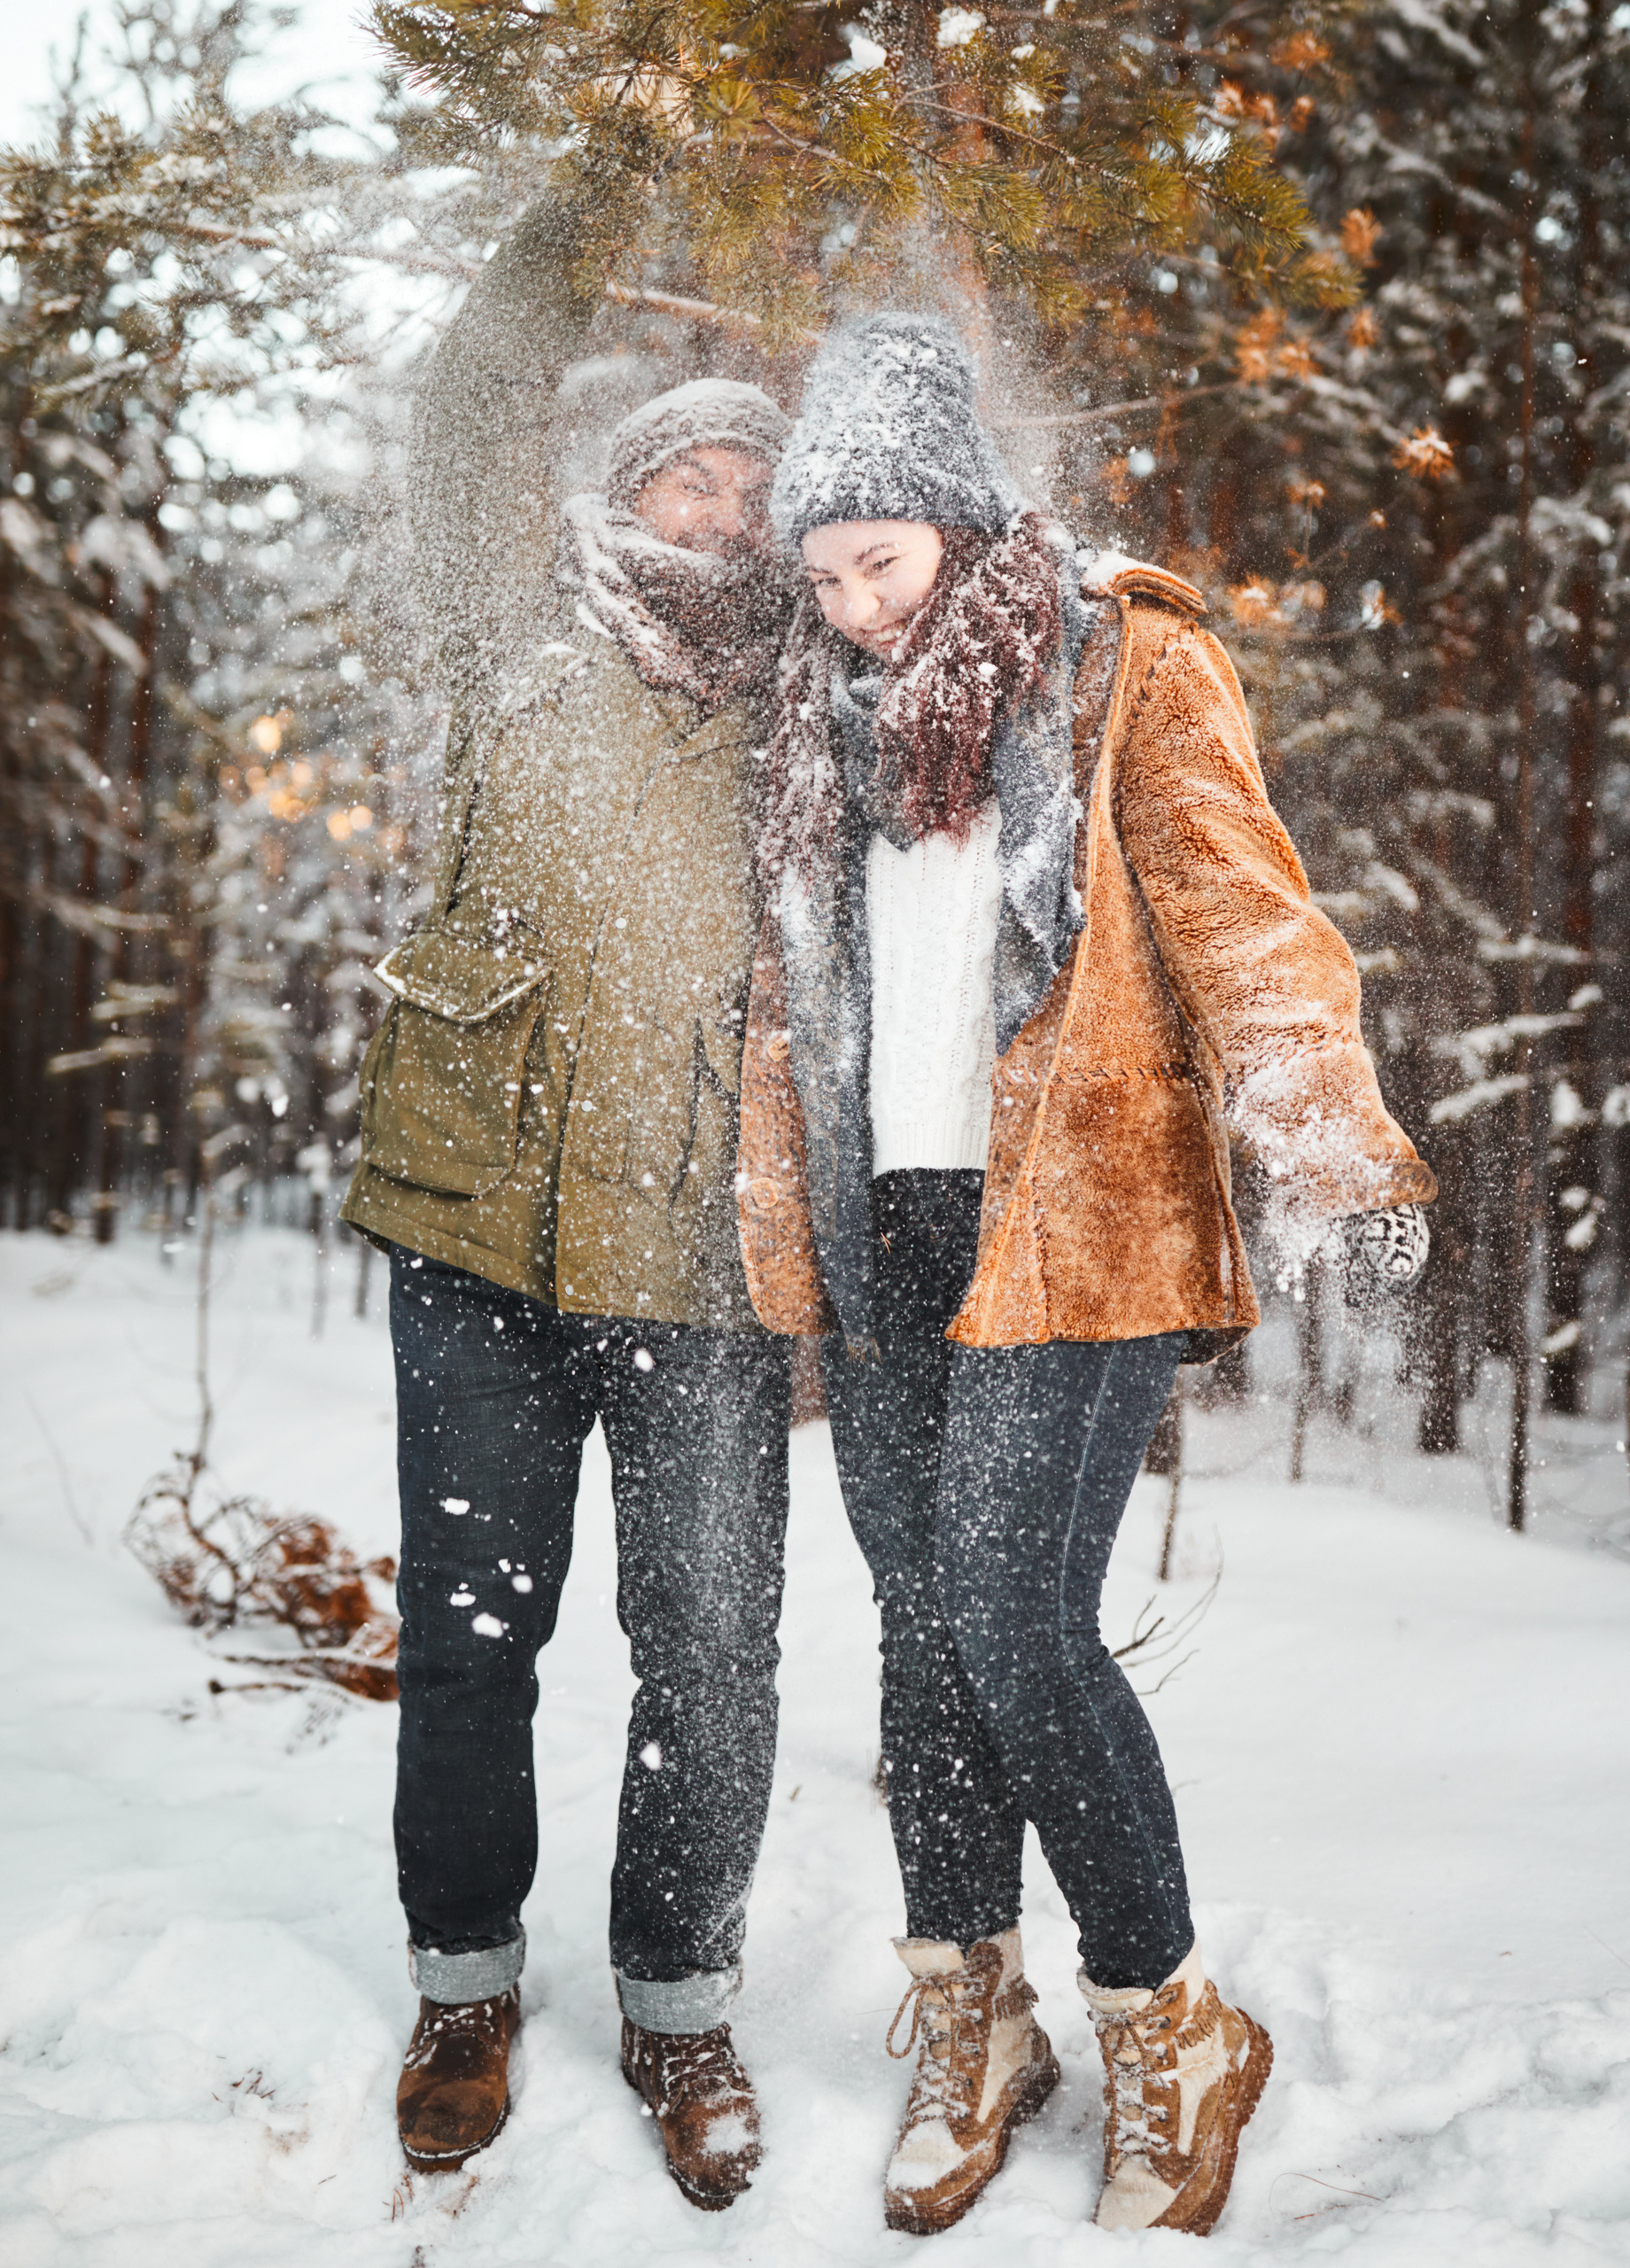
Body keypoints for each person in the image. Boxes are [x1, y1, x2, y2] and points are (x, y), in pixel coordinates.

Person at [736, 314, 1435, 2239]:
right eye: (822, 572)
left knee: (1010, 1618)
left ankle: (1170, 2015)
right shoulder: (812, 718)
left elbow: (1240, 908)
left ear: (956, 522)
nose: (856, 605)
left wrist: (1330, 1140)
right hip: (890, 1223)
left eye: (880, 559)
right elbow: (792, 1009)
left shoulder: (1122, 657)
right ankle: (974, 2013)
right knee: (919, 1633)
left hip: (1091, 1210)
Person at [342, 194, 796, 2210]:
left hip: (701, 1257)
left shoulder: (822, 700)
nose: (711, 502)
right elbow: (463, 414)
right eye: (680, 469)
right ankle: (462, 1984)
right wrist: (593, 199)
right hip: (473, 1238)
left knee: (710, 1650)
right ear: (626, 491)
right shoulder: (511, 620)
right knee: (469, 1636)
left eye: (747, 482)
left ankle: (681, 2000)